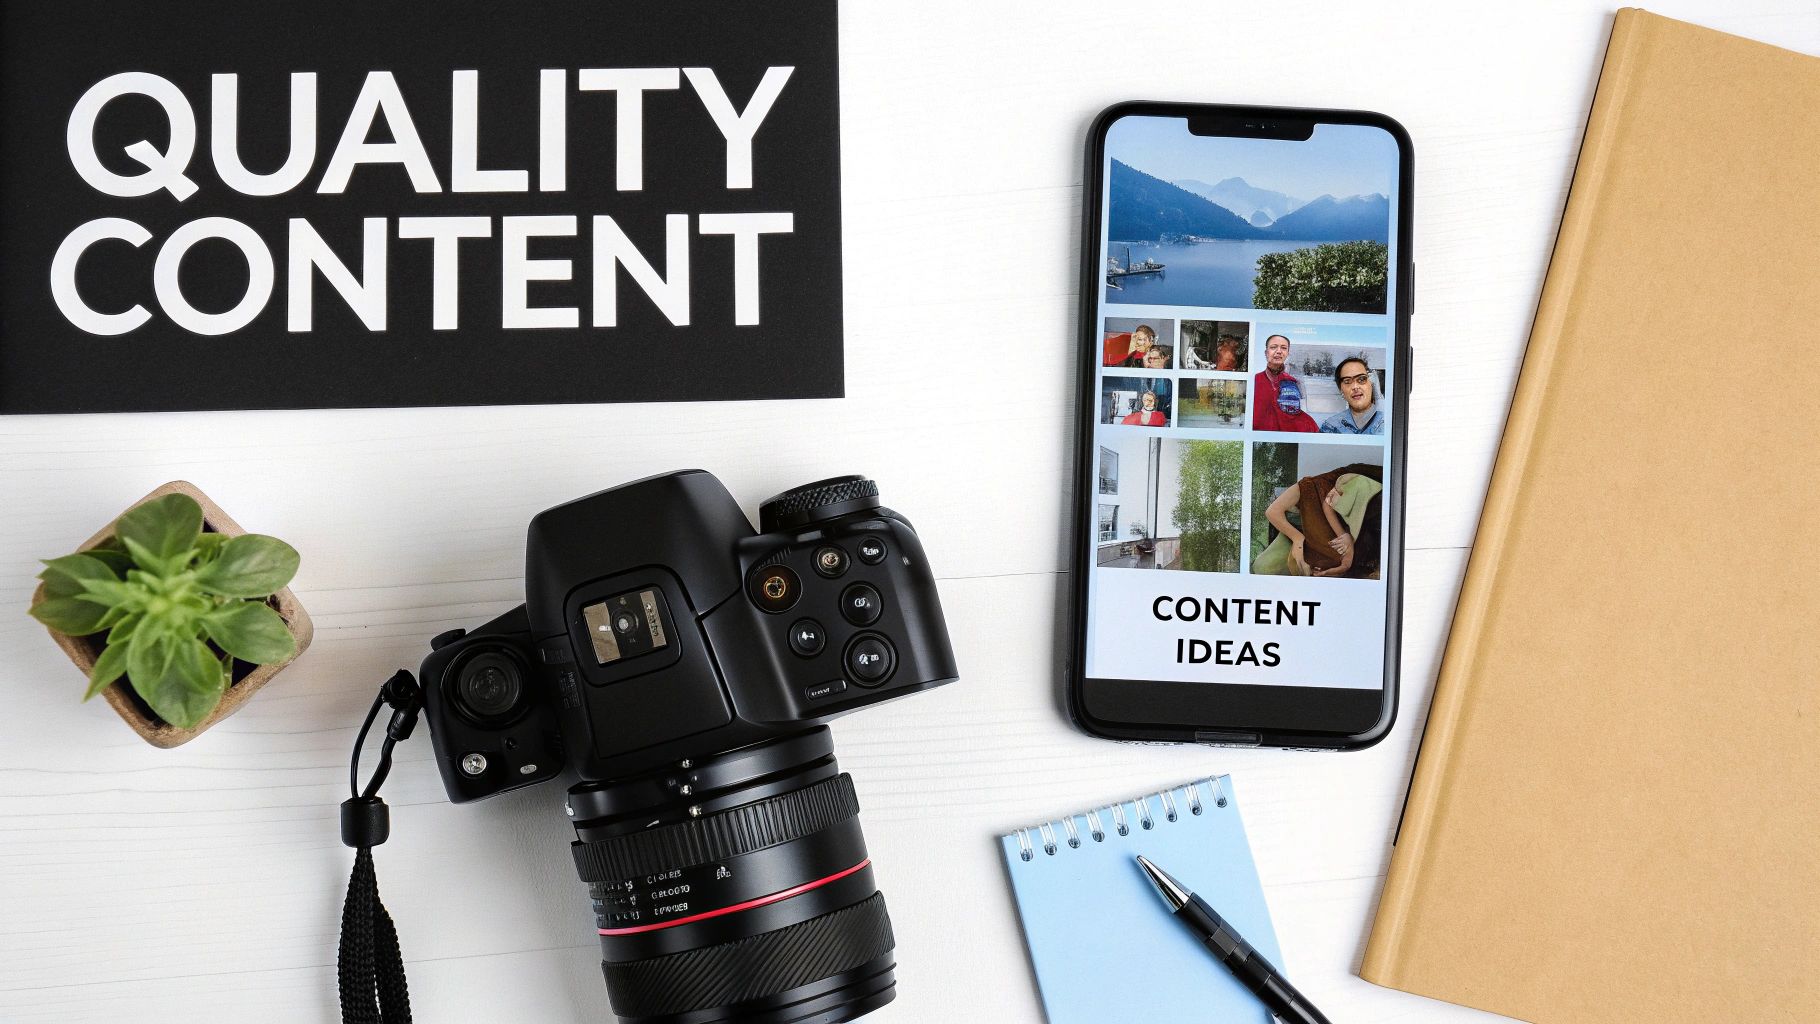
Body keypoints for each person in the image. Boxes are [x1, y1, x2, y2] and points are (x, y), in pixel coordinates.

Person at [1251, 464, 1384, 577]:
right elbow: (1272, 512)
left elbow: (1346, 561)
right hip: (1299, 529)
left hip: (1326, 544)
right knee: (1263, 567)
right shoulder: (1315, 486)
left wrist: (1339, 567)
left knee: (1265, 567)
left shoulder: (1367, 502)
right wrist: (1298, 539)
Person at [1251, 334, 1315, 432]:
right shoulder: (1254, 380)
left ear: (1288, 353)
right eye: (1273, 347)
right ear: (1266, 353)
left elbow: (1298, 413)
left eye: (1284, 348)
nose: (1279, 351)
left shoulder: (1293, 382)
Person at [1319, 357, 1387, 435]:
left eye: (1361, 379)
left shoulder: (1390, 422)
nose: (1355, 387)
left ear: (1371, 384)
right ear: (1341, 390)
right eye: (1347, 381)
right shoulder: (1331, 427)